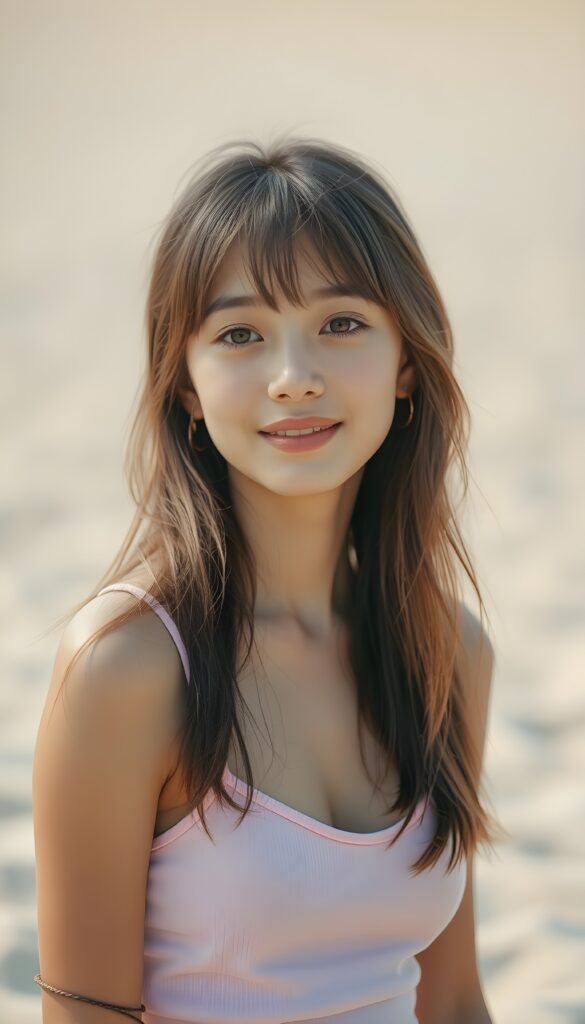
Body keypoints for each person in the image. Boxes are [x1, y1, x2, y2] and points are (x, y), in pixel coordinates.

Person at [32, 134, 506, 1023]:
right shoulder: (125, 668)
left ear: (406, 362)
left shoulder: (447, 649)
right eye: (241, 334)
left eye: (340, 324)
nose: (293, 379)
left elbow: (450, 1004)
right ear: (186, 385)